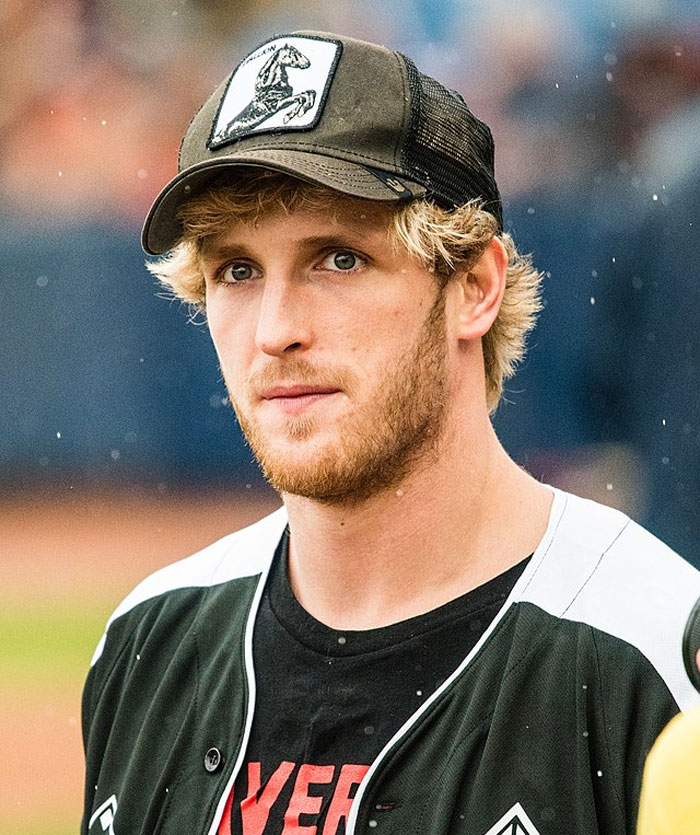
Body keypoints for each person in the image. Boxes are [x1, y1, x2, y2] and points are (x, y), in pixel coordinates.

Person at [81, 31, 700, 835]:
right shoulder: (148, 641)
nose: (275, 331)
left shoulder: (654, 656)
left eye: (338, 259)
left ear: (474, 286)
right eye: (236, 269)